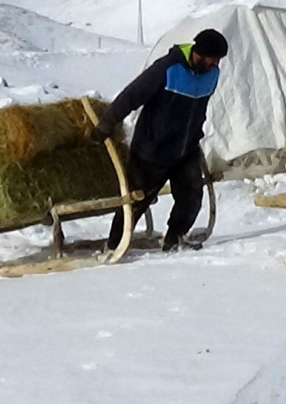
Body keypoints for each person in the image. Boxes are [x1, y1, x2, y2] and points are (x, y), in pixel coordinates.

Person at [90, 28, 228, 251]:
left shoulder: (211, 74)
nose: (216, 65)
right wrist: (106, 124)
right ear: (198, 54)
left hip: (186, 149)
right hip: (152, 149)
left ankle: (174, 237)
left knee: (191, 196)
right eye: (213, 60)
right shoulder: (167, 69)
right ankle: (115, 244)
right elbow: (131, 96)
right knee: (136, 201)